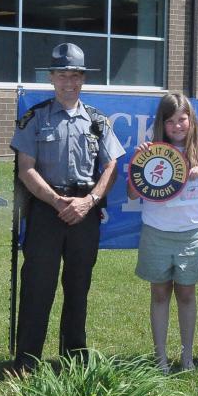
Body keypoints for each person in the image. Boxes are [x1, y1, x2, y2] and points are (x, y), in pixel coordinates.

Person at [10, 43, 125, 372]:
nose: (69, 82)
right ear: (52, 78)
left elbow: (111, 167)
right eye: (63, 75)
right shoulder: (34, 118)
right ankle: (27, 362)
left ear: (83, 79)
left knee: (78, 288)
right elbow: (25, 169)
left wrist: (89, 201)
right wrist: (58, 201)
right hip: (47, 211)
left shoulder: (98, 121)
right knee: (37, 287)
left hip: (84, 213)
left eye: (75, 75)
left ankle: (74, 358)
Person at [127, 93, 198, 373]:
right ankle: (160, 358)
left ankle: (187, 357)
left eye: (182, 119)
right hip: (156, 231)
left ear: (191, 120)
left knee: (186, 294)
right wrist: (139, 160)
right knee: (159, 294)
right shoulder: (151, 152)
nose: (177, 126)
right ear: (162, 124)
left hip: (191, 233)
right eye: (170, 121)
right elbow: (132, 194)